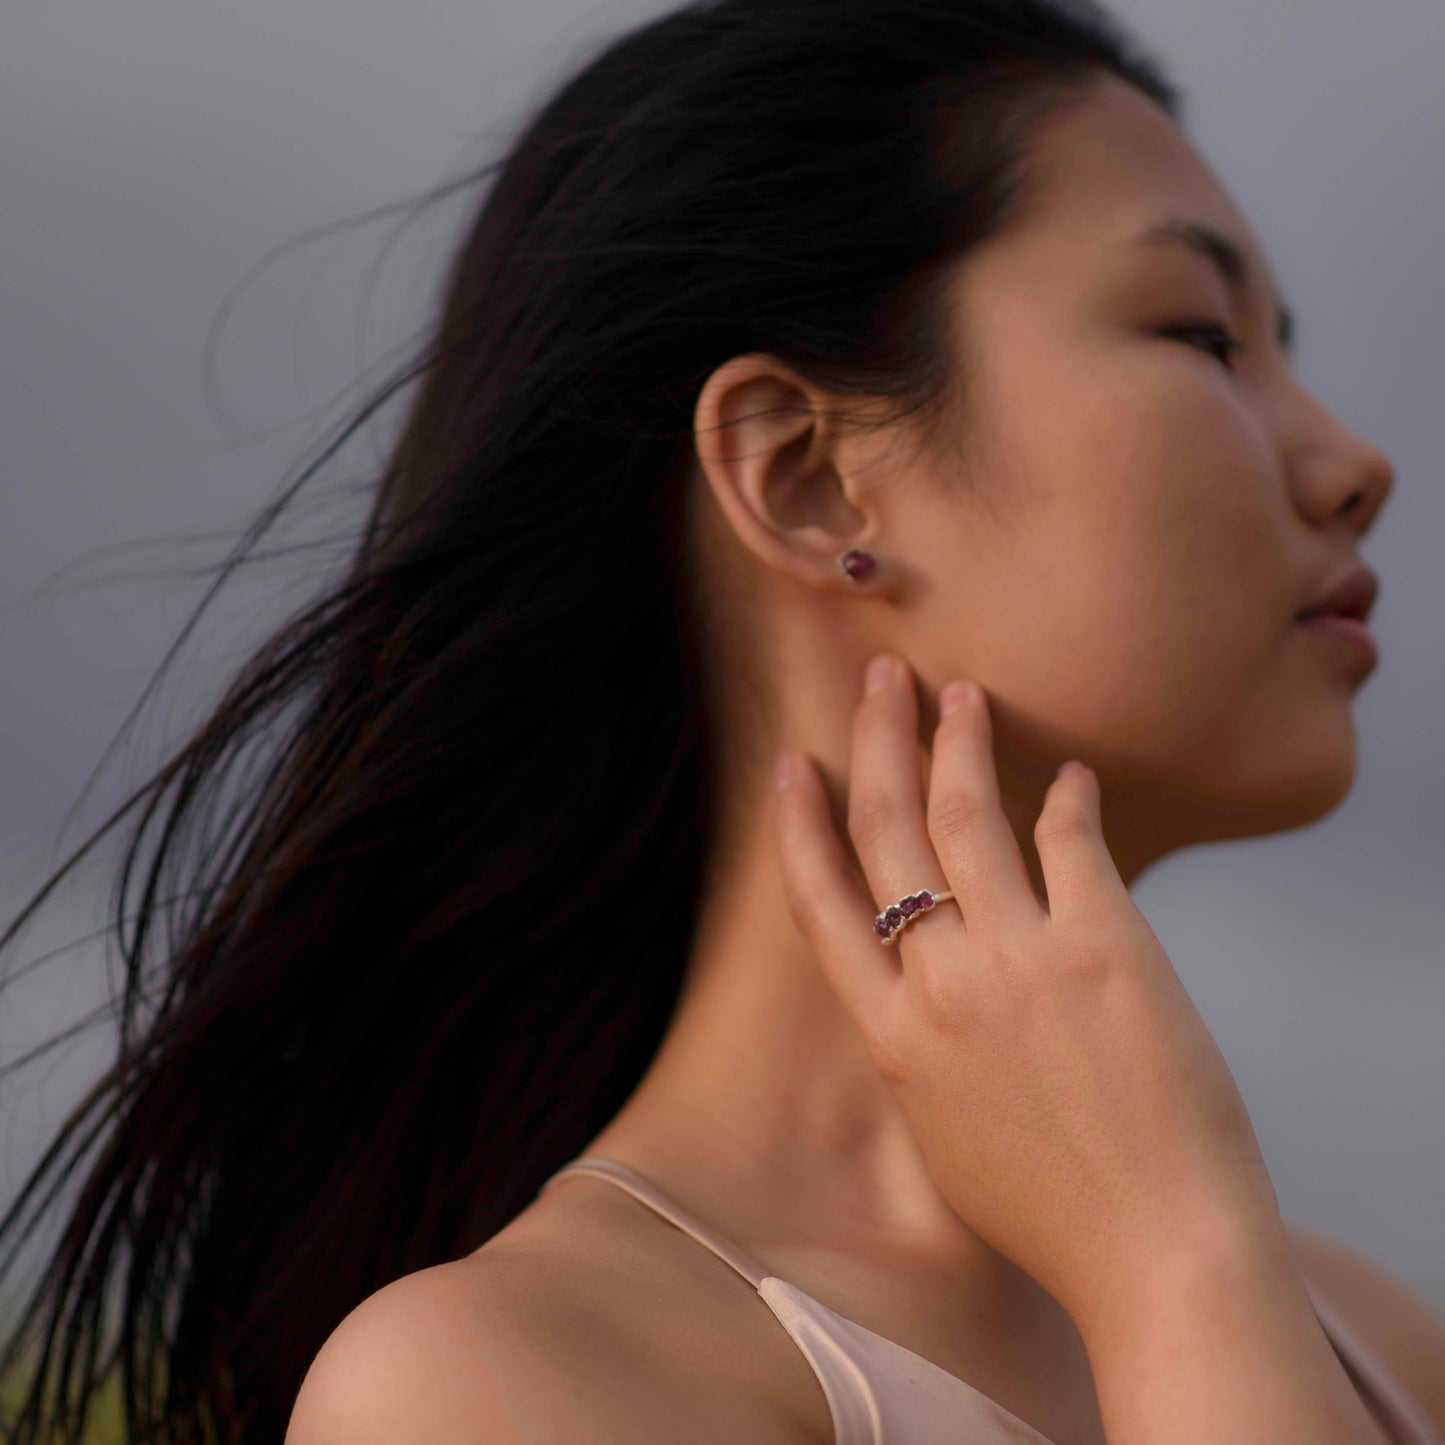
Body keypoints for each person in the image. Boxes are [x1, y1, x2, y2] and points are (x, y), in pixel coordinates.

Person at [2, 1, 1441, 1442]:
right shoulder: (504, 1387)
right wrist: (1170, 1267)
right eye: (1201, 335)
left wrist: (1182, 1255)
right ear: (805, 475)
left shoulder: (1379, 1340)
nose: (1354, 458)